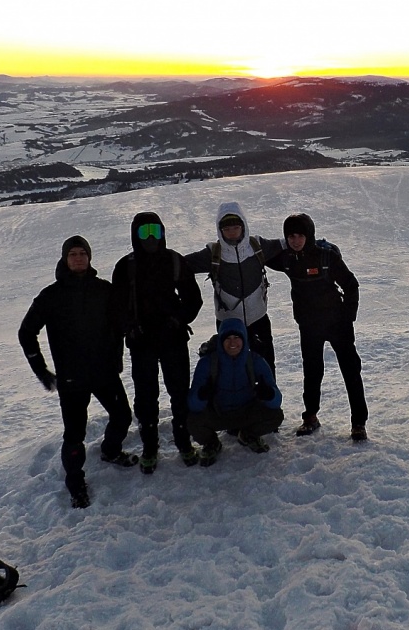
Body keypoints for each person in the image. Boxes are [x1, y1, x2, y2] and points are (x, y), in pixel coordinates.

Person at [18, 235, 138, 509]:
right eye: (73, 254)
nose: (78, 258)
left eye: (82, 253)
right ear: (65, 259)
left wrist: (116, 358)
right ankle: (75, 483)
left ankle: (110, 451)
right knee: (74, 434)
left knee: (122, 416)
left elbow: (118, 326)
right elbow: (26, 332)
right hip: (72, 379)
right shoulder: (51, 295)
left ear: (89, 257)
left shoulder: (103, 289)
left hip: (104, 372)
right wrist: (41, 370)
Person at [111, 212, 203, 473]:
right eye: (144, 231)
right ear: (135, 235)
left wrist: (178, 319)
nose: (150, 237)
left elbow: (193, 299)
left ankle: (184, 441)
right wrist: (130, 328)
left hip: (173, 339)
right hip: (142, 343)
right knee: (145, 397)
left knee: (180, 393)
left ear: (162, 232)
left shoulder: (174, 261)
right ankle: (149, 447)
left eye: (155, 230)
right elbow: (117, 306)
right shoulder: (125, 266)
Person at [266, 213, 369, 441]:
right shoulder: (286, 259)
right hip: (309, 326)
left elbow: (351, 284)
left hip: (337, 324)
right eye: (291, 236)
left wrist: (348, 317)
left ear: (309, 235)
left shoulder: (326, 256)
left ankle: (358, 423)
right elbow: (259, 254)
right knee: (312, 372)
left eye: (300, 236)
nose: (296, 241)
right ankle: (310, 417)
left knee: (351, 371)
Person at [184, 202, 285, 375]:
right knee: (232, 368)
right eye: (227, 229)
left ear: (243, 226)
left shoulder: (257, 245)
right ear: (220, 230)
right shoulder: (213, 253)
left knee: (266, 365)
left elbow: (285, 244)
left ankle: (269, 393)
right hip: (228, 323)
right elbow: (182, 264)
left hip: (258, 319)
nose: (232, 232)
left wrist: (317, 246)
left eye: (236, 228)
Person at [187, 317, 284, 466]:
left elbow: (277, 400)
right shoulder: (207, 363)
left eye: (237, 337)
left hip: (246, 412)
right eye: (228, 338)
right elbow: (192, 404)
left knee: (275, 415)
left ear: (244, 339)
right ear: (221, 340)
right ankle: (211, 442)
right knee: (192, 420)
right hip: (218, 413)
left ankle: (248, 434)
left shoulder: (255, 360)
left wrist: (269, 394)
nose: (232, 343)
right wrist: (202, 395)